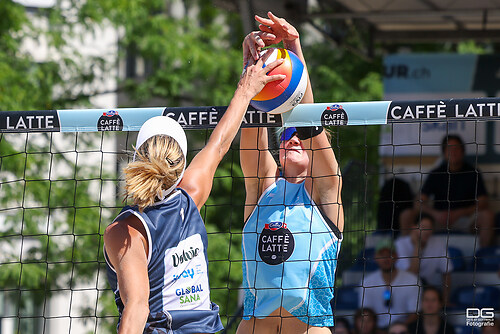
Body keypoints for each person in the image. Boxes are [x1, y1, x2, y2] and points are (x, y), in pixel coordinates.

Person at [103, 53, 286, 333]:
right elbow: (220, 143)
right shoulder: (191, 195)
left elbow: (138, 306)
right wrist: (246, 88)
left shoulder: (125, 230)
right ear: (183, 166)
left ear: (137, 158)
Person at [238, 12, 344, 334]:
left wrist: (295, 47)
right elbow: (250, 127)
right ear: (278, 150)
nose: (293, 136)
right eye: (285, 134)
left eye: (299, 134)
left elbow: (308, 120)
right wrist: (251, 69)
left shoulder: (326, 192)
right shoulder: (263, 190)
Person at [419, 134, 495, 247]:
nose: (453, 152)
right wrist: (436, 214)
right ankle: (412, 259)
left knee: (488, 216)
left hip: (466, 220)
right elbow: (419, 202)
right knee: (410, 216)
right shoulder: (436, 173)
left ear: (463, 151)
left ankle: (481, 259)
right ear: (444, 153)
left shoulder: (473, 173)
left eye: (457, 148)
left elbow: (483, 202)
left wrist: (460, 213)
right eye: (449, 149)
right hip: (440, 220)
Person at [358, 241, 421, 329]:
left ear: (397, 256)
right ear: (375, 257)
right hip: (377, 330)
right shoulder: (367, 283)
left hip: (404, 329)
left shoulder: (412, 280)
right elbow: (365, 313)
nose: (386, 259)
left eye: (389, 254)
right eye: (382, 255)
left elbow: (415, 314)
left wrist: (396, 330)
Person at [395, 213, 453, 302]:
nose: (426, 231)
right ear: (414, 227)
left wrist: (446, 300)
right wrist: (417, 246)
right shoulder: (400, 244)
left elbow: (447, 273)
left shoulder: (438, 243)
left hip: (425, 287)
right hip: (403, 288)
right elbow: (412, 274)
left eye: (429, 228)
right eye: (423, 227)